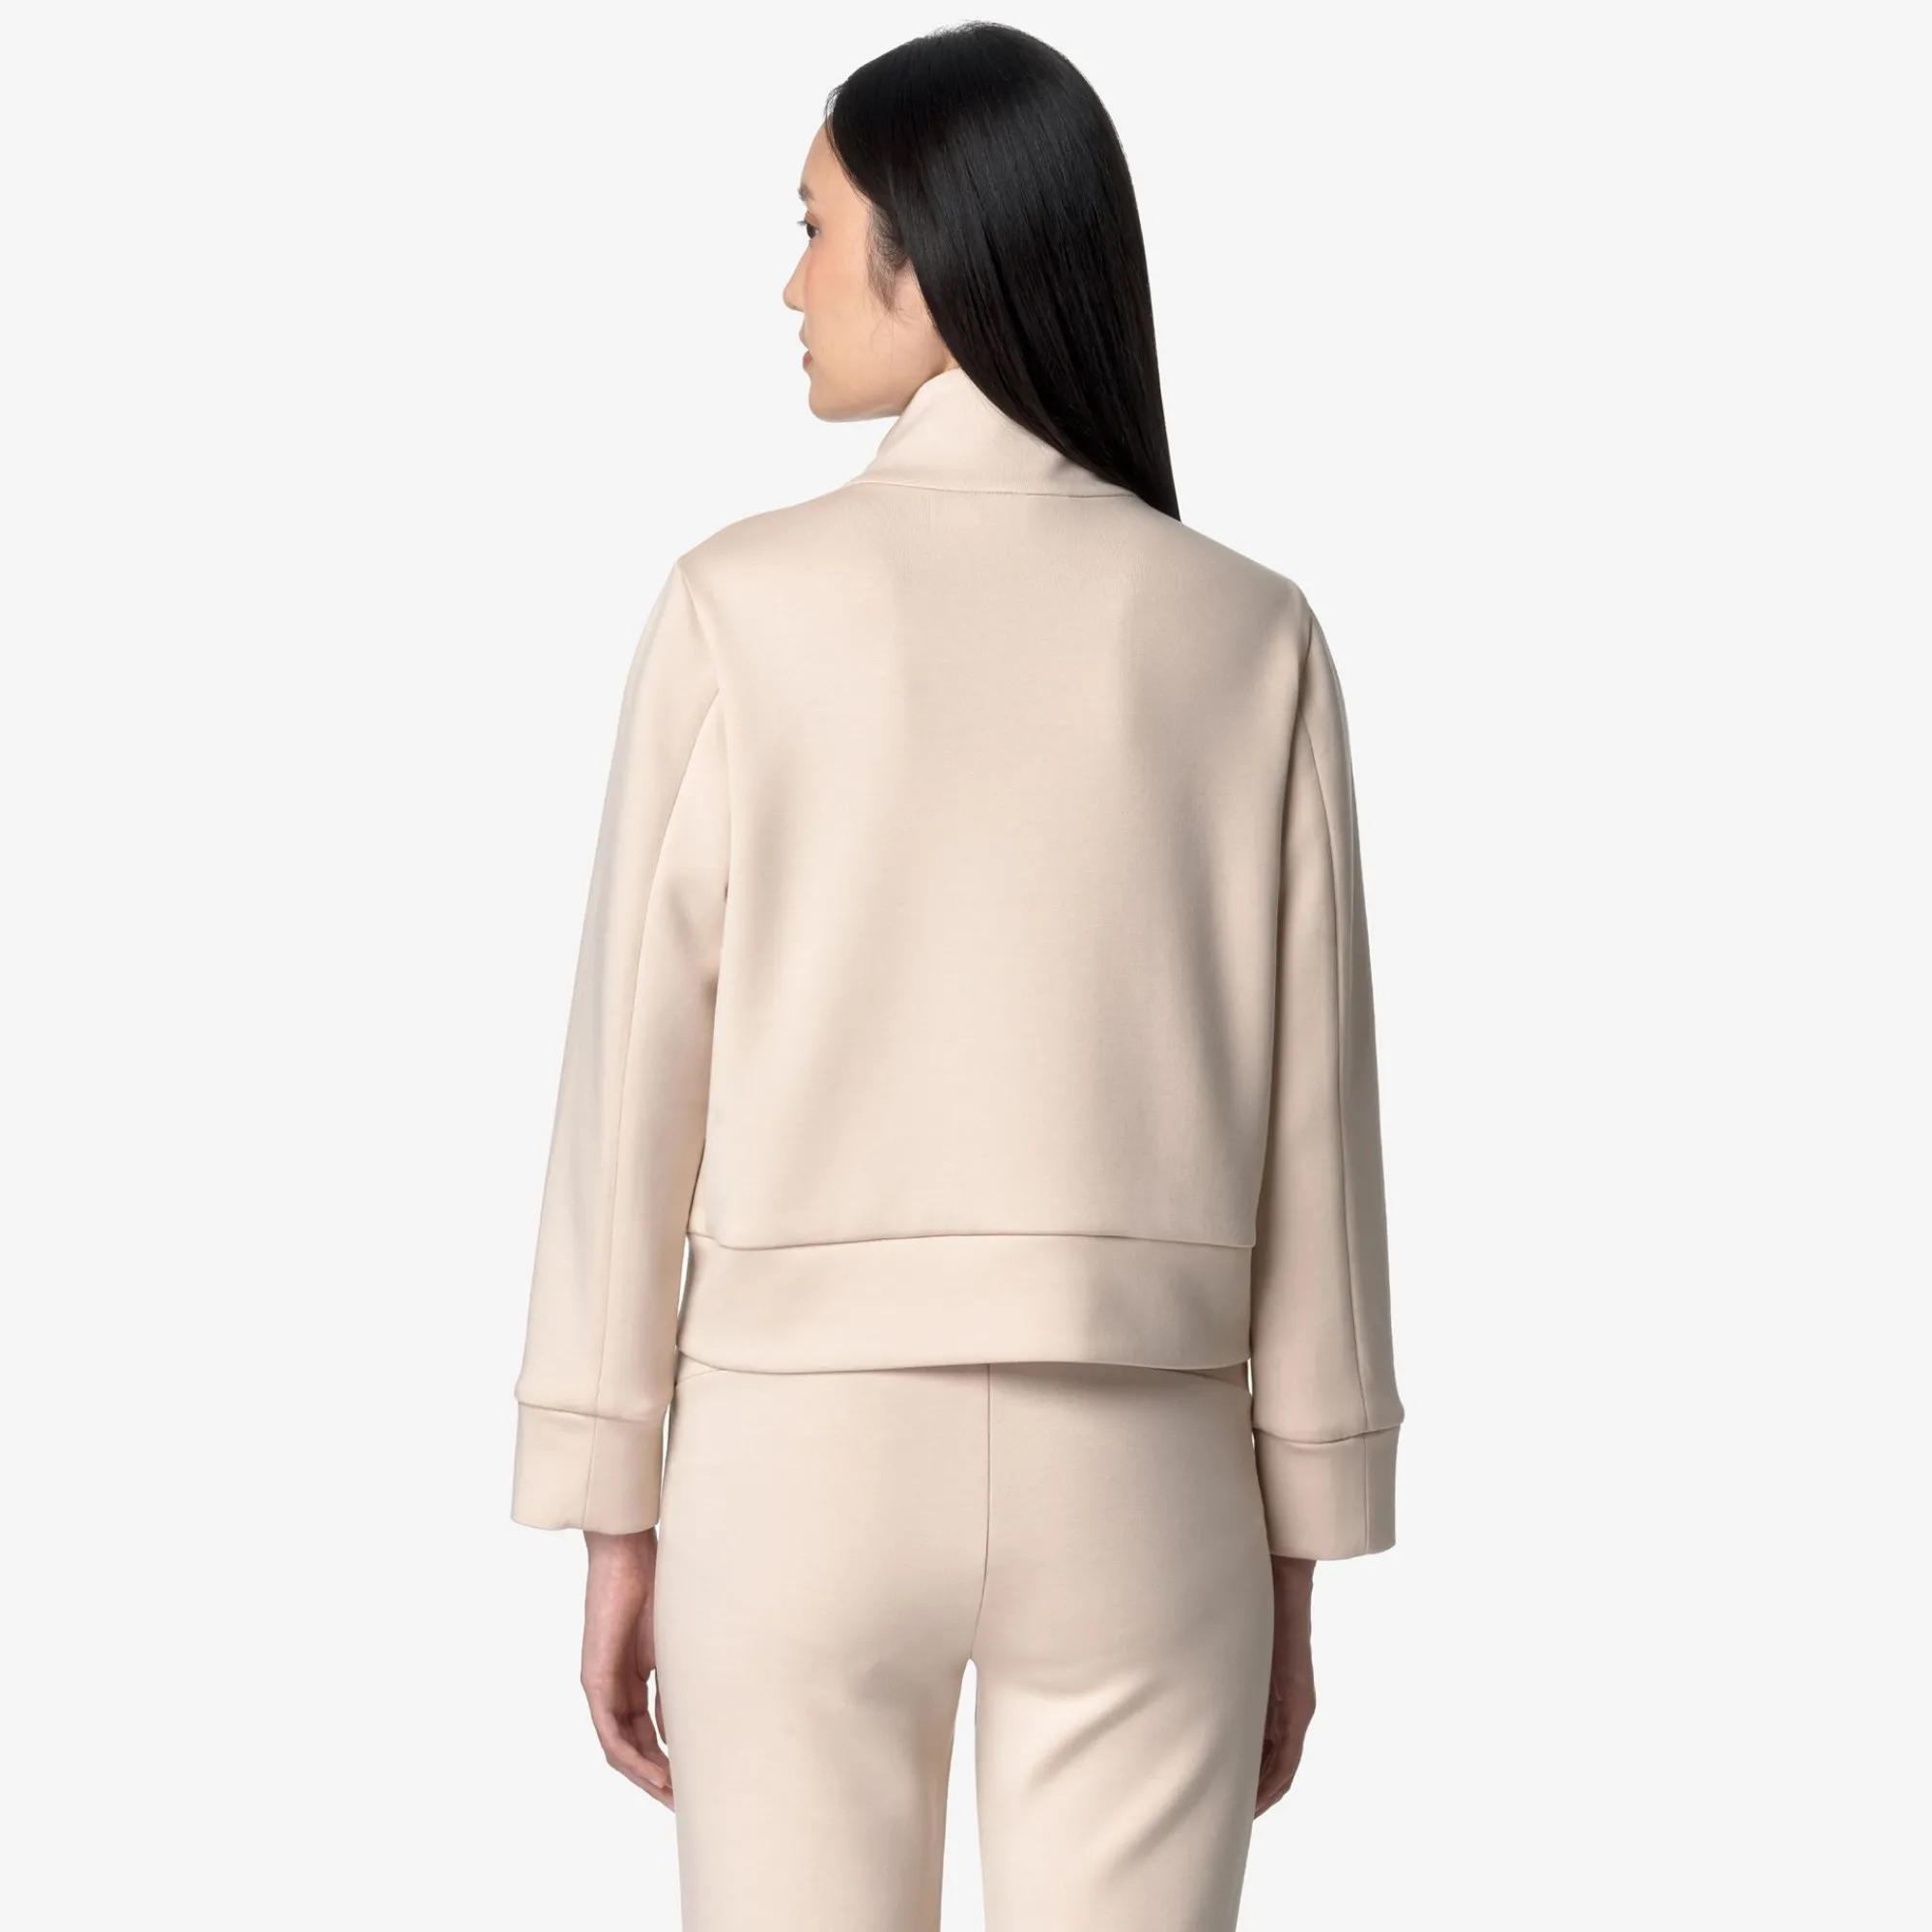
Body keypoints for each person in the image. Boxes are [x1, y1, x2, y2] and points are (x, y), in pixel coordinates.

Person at [508, 21, 1404, 1930]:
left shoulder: (736, 608)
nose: (791, 285)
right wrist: (1302, 1533)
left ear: (928, 258)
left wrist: (610, 1497)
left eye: (814, 230)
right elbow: (1315, 1126)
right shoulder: (1251, 634)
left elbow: (631, 1087)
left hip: (794, 1459)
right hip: (1146, 1464)